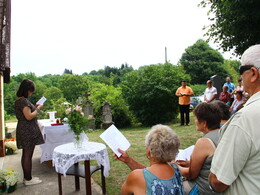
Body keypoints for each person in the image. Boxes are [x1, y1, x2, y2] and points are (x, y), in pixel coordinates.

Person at [208, 44, 260, 194]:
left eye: (241, 70)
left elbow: (219, 179)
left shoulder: (244, 119)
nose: (240, 78)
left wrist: (211, 181)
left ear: (253, 73)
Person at [117, 125, 184, 194]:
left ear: (149, 150)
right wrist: (128, 160)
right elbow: (152, 175)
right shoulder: (175, 169)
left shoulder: (136, 176)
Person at [176, 103, 221, 195]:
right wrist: (188, 163)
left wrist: (176, 167)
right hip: (218, 187)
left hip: (204, 188)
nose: (195, 121)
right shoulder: (223, 134)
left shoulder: (204, 142)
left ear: (204, 123)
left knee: (172, 186)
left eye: (196, 118)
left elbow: (191, 174)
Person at [15, 79, 44, 186]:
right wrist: (38, 109)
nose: (31, 93)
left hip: (24, 129)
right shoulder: (23, 101)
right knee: (27, 155)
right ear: (27, 90)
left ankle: (27, 178)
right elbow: (28, 116)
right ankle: (28, 179)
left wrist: (34, 107)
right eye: (31, 91)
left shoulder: (20, 100)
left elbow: (27, 113)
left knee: (26, 154)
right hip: (27, 130)